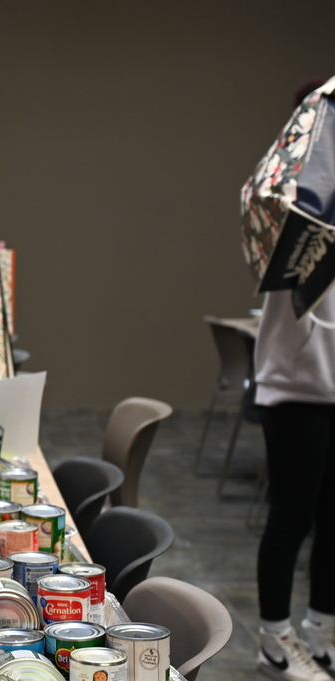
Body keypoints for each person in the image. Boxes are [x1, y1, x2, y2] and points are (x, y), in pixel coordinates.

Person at [254, 82, 335, 681]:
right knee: (291, 518)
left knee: (334, 518)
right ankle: (275, 638)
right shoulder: (286, 201)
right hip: (296, 390)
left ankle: (321, 627)